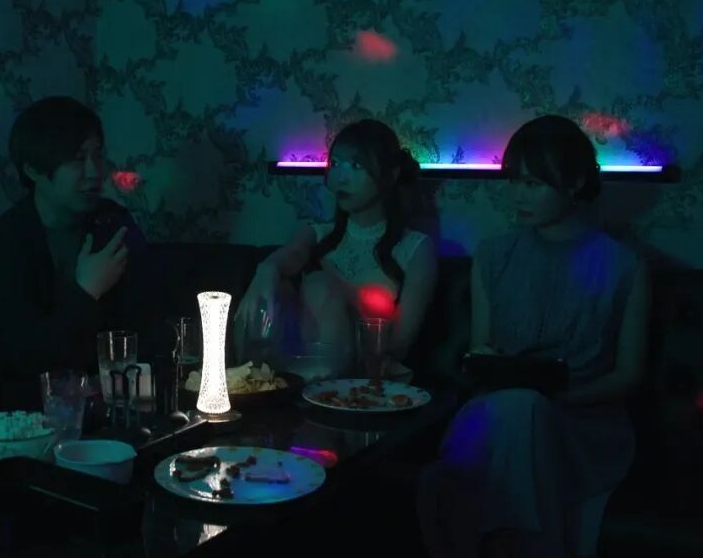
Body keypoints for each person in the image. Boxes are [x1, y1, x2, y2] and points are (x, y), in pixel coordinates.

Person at [418, 115, 650, 558]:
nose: (518, 195)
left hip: (580, 423)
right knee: (513, 410)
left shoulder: (624, 266)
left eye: (533, 184)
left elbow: (628, 374)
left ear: (574, 182)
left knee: (523, 411)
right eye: (515, 181)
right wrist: (489, 367)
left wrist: (557, 398)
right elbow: (482, 348)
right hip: (499, 412)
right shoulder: (493, 255)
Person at [0, 96, 146, 412]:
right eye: (77, 159)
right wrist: (86, 291)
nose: (93, 172)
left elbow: (145, 322)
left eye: (98, 156)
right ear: (34, 170)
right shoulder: (8, 242)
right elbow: (26, 358)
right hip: (31, 415)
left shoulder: (112, 224)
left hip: (113, 406)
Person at [234, 119, 437, 378]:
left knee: (320, 284)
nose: (340, 178)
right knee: (276, 282)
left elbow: (398, 346)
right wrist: (265, 271)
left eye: (356, 166)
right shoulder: (317, 234)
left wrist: (346, 300)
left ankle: (312, 382)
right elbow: (288, 257)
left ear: (391, 174)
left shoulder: (415, 248)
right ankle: (253, 380)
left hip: (364, 374)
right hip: (298, 364)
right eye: (336, 164)